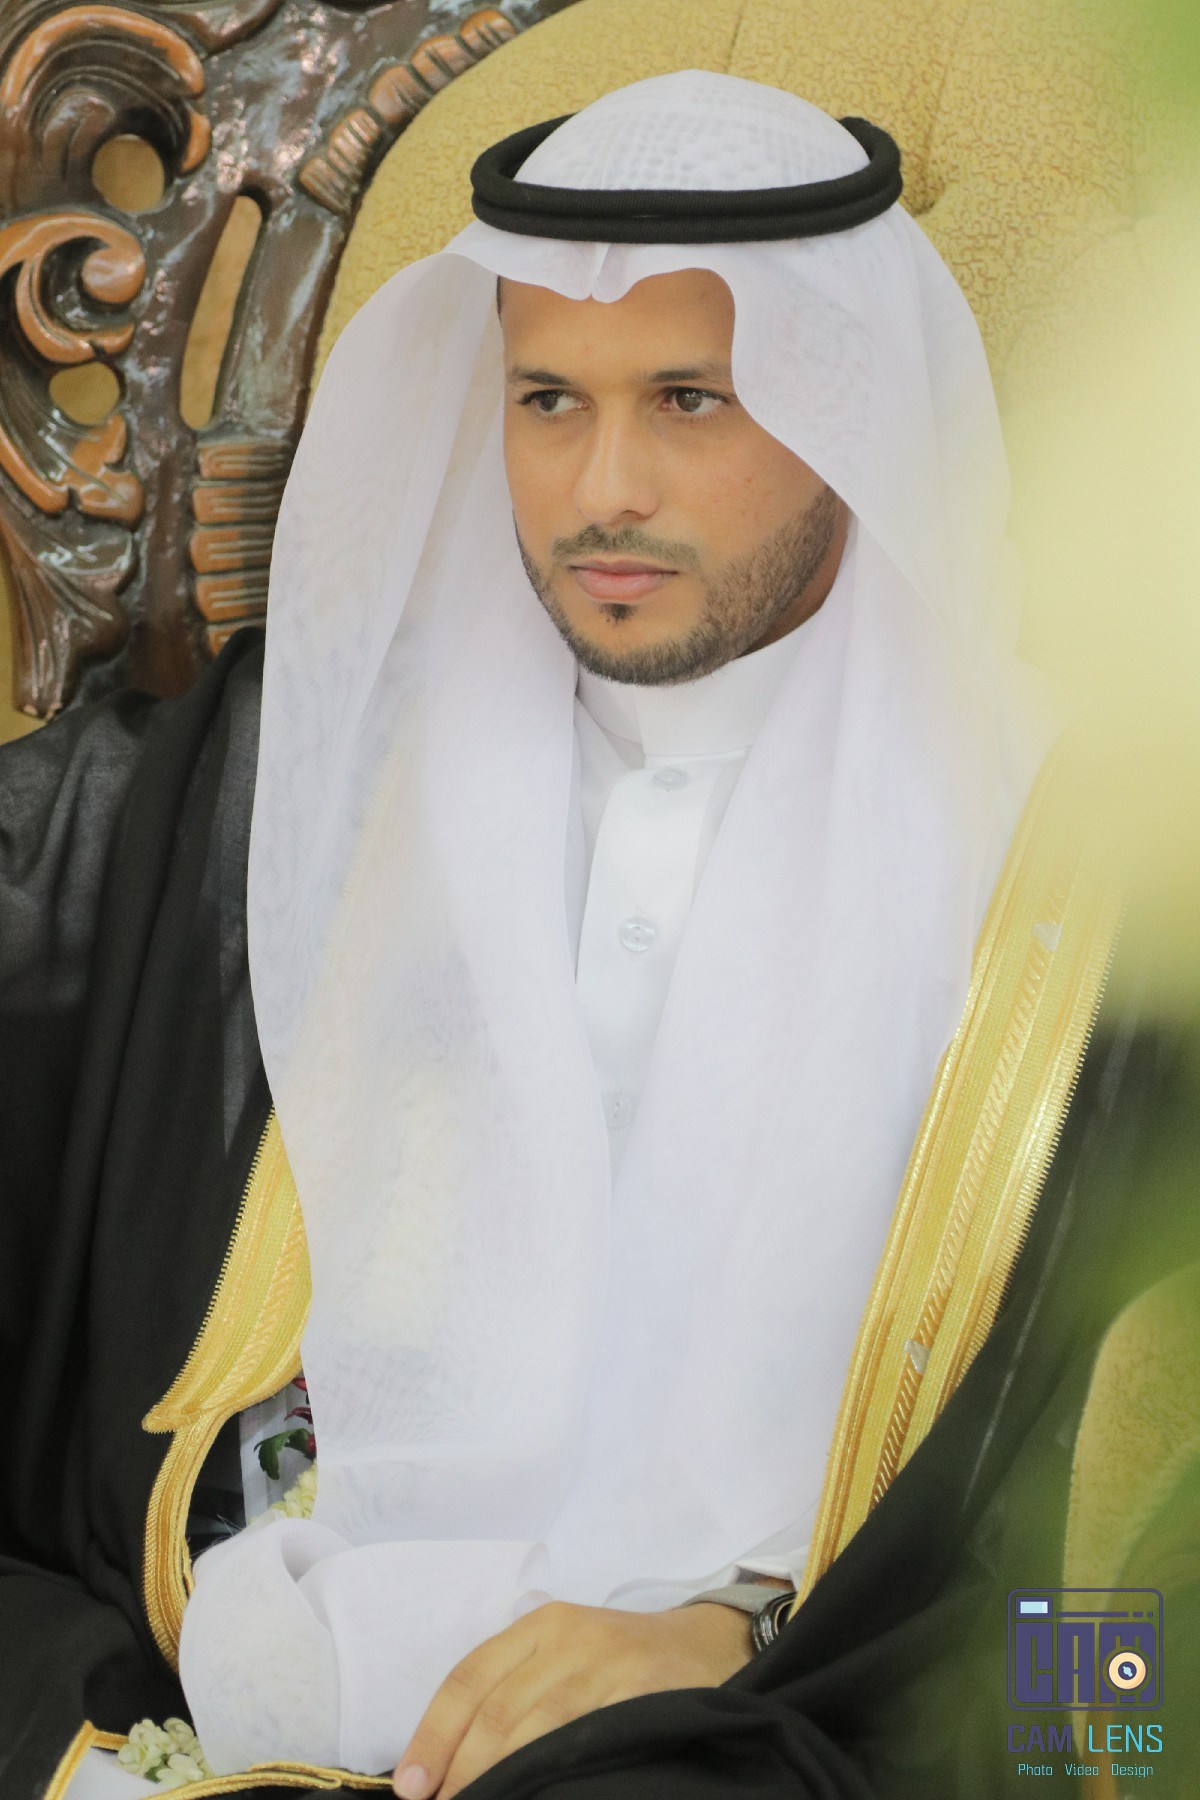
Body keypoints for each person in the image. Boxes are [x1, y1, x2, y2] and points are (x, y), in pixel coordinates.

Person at [2, 70, 1187, 1800]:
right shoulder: (298, 779)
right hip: (218, 1664)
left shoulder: (1092, 870)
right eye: (547, 399)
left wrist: (750, 1632)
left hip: (767, 1725)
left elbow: (1135, 1622)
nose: (600, 489)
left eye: (691, 400)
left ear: (848, 407)